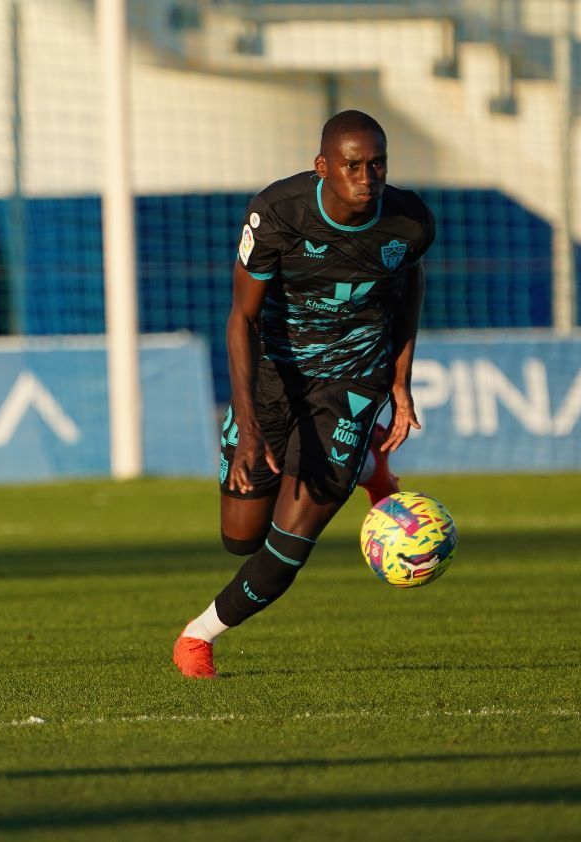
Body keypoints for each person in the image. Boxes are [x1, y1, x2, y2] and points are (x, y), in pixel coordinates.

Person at [172, 110, 437, 679]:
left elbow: (410, 280)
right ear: (323, 168)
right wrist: (246, 428)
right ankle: (370, 466)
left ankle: (197, 638)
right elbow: (240, 319)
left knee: (288, 547)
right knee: (241, 540)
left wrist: (399, 378)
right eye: (353, 166)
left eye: (377, 164)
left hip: (352, 382)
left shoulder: (410, 220)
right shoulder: (276, 215)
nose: (368, 177)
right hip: (273, 374)